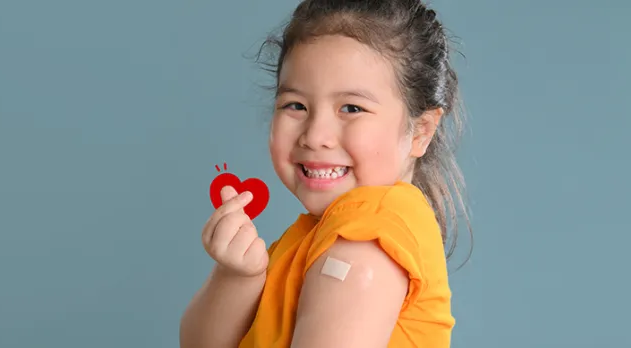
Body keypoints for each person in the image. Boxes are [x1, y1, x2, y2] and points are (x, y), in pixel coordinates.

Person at [181, 0, 471, 346]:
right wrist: (238, 276)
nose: (315, 136)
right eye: (296, 106)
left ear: (420, 131)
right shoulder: (315, 234)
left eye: (352, 108)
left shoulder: (368, 237)